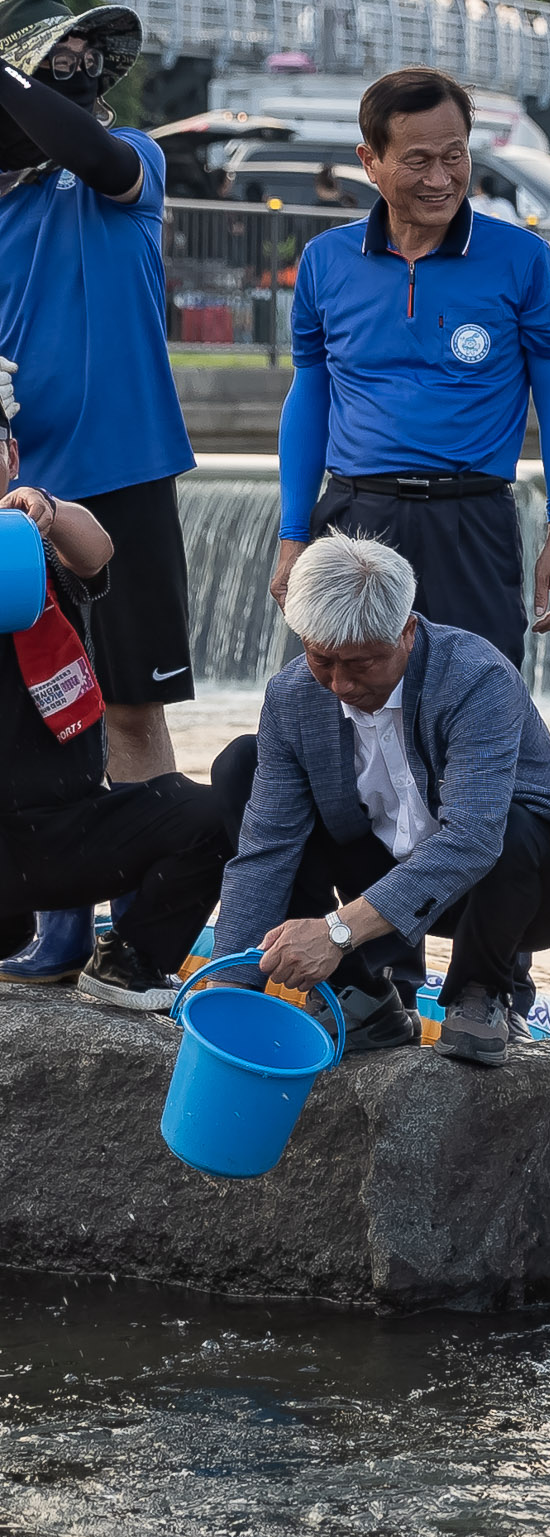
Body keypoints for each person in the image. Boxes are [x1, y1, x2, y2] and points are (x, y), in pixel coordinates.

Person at [210, 535, 550, 1065]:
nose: (339, 683)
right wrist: (230, 992)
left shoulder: (477, 678)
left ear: (407, 631)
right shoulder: (292, 695)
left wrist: (337, 931)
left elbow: (472, 841)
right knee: (239, 767)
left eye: (362, 664)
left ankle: (483, 993)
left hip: (526, 889)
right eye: (321, 659)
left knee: (515, 826)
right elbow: (266, 851)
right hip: (388, 870)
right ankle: (359, 997)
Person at [0, 7, 202, 983]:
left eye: (82, 52)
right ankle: (57, 921)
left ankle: (143, 926)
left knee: (130, 709)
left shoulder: (129, 162)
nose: (73, 62)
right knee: (41, 717)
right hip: (18, 502)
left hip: (124, 475)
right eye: (50, 53)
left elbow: (87, 149)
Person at [270, 66, 550, 670]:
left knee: (480, 709)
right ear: (370, 160)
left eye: (455, 156)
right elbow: (309, 398)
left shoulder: (523, 259)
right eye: (417, 160)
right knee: (349, 709)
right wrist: (292, 537)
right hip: (353, 523)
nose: (441, 179)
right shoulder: (324, 261)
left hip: (472, 520)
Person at [0, 357, 229, 1008]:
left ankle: (131, 958)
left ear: (13, 455)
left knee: (214, 811)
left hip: (69, 827)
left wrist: (46, 509)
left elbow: (97, 549)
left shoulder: (39, 538)